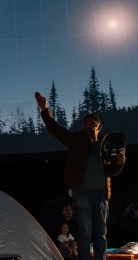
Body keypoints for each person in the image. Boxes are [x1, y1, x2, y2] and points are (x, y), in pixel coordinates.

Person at [35, 92, 126, 260]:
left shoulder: (105, 145)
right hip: (82, 192)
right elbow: (55, 130)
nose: (89, 124)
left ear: (99, 126)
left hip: (102, 194)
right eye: (86, 122)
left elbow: (111, 172)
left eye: (93, 122)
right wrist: (44, 109)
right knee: (84, 234)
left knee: (101, 233)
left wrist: (119, 164)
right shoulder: (76, 140)